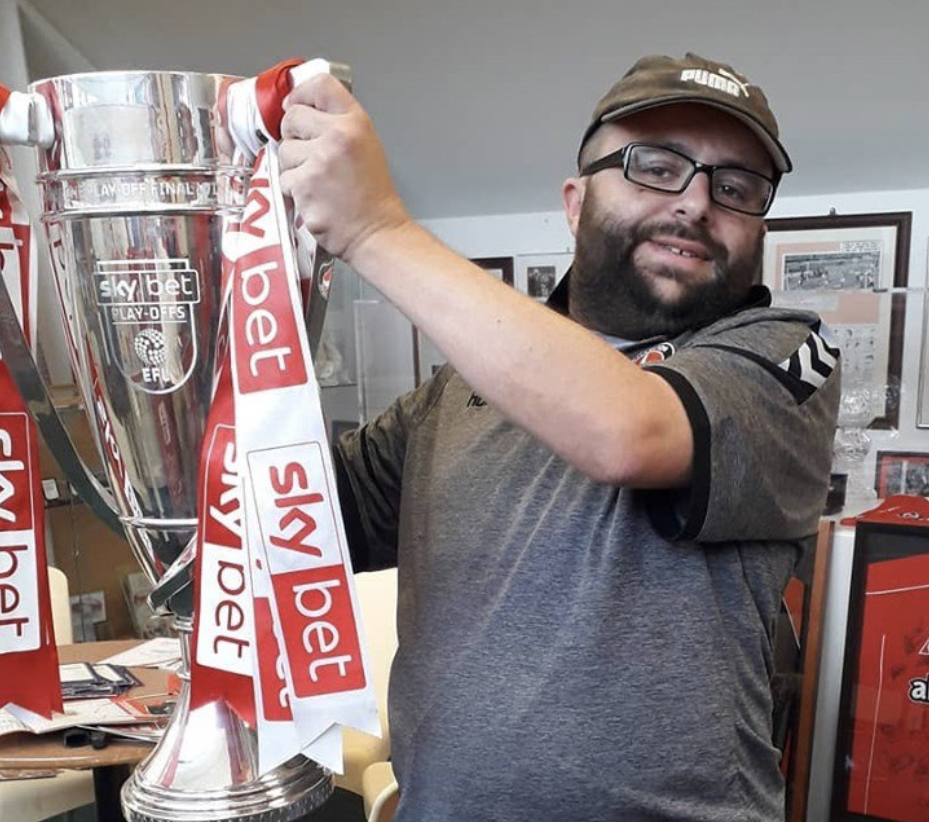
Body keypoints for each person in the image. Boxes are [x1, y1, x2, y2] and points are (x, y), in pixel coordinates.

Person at [279, 52, 840, 821]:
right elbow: (295, 519)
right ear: (574, 202)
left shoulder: (781, 357)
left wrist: (373, 225)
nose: (697, 202)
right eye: (655, 165)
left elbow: (625, 433)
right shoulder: (455, 391)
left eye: (735, 187)